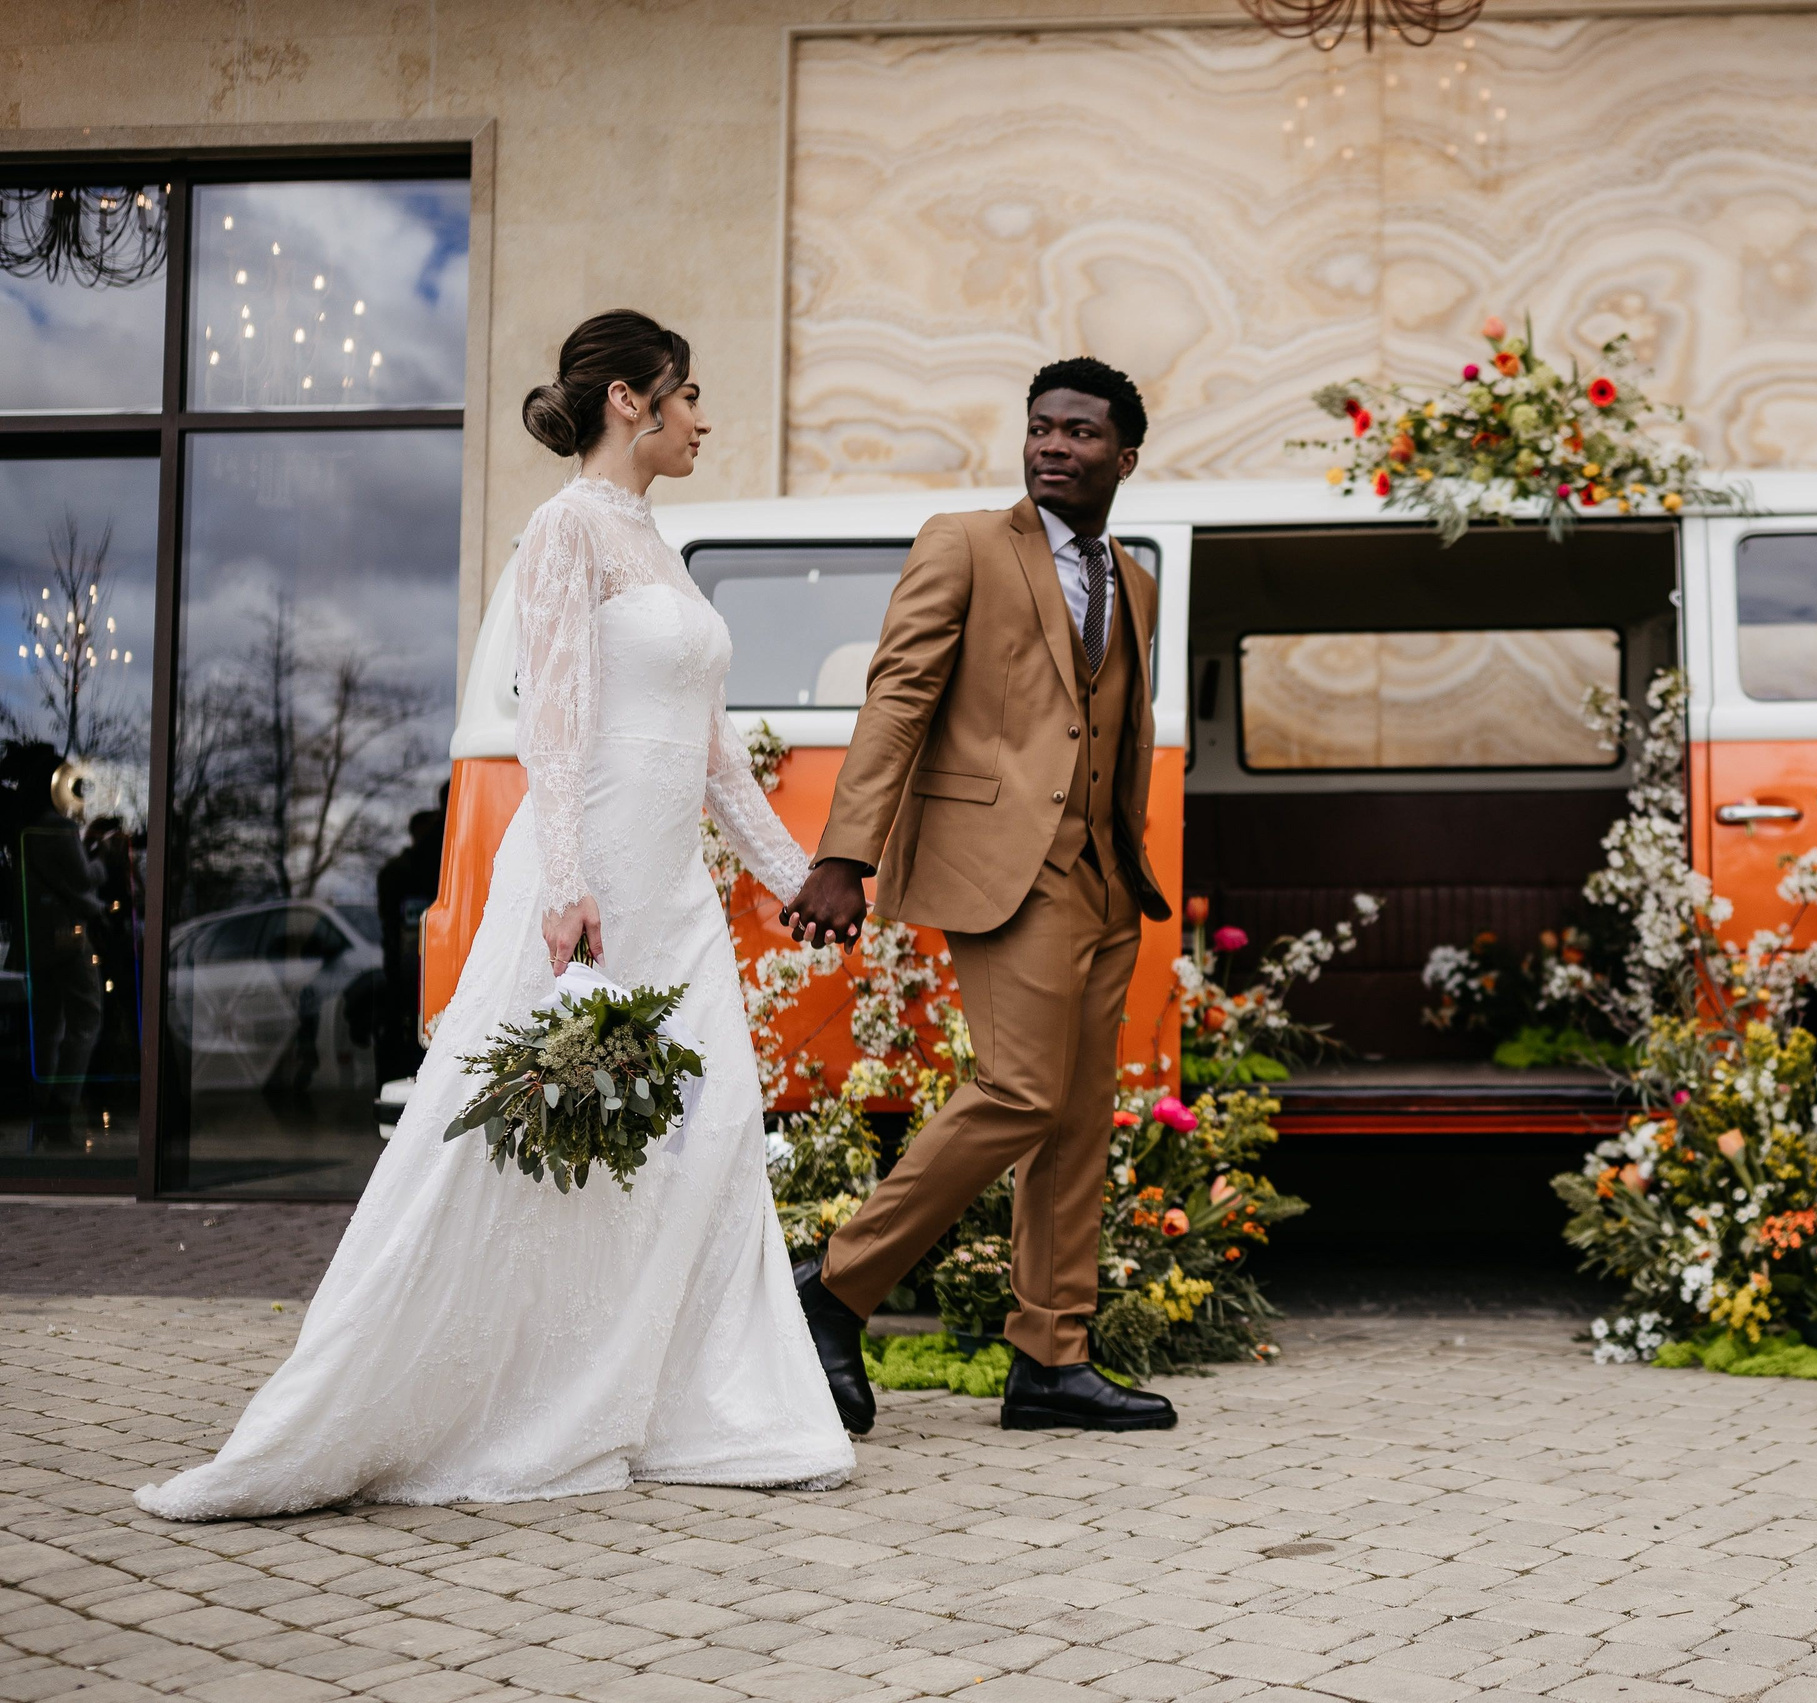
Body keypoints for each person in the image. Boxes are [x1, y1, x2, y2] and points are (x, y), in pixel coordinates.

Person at [133, 310, 856, 1520]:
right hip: (592, 879)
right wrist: (566, 881)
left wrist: (797, 877)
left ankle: (684, 1402)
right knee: (504, 1138)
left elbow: (717, 756)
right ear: (630, 400)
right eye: (686, 396)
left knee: (705, 1129)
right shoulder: (567, 527)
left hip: (673, 892)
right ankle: (429, 1403)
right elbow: (553, 721)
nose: (702, 418)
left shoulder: (653, 539)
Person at [779, 357, 1177, 1434]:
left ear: (1123, 455)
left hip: (1101, 878)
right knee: (1018, 1091)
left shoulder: (1136, 581)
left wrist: (1125, 859)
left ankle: (1051, 1356)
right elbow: (898, 695)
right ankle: (834, 1286)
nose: (1053, 444)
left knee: (1077, 1118)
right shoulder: (961, 543)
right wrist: (845, 853)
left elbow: (1118, 731)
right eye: (1041, 427)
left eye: (1081, 432)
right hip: (1008, 869)